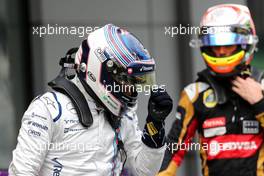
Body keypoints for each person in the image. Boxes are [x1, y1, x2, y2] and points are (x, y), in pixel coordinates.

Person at [9, 24, 173, 176]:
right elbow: (22, 172)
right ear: (102, 71)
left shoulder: (124, 115)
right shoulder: (49, 109)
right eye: (127, 81)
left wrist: (155, 125)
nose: (132, 90)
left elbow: (144, 171)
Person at [158, 4, 264, 176]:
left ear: (245, 44)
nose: (221, 52)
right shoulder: (195, 94)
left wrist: (260, 104)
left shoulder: (262, 87)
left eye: (228, 44)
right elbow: (172, 149)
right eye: (215, 45)